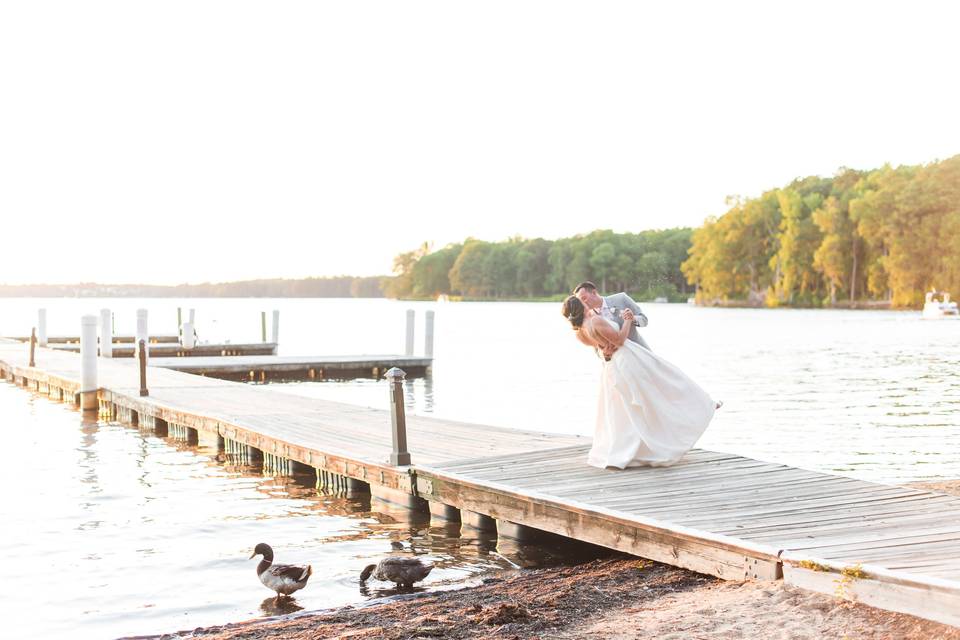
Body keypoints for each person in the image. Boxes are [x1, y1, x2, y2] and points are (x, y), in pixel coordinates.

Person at [561, 293, 719, 469]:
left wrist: (605, 350)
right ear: (579, 308)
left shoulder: (580, 333)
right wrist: (628, 320)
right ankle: (700, 408)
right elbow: (620, 340)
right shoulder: (595, 321)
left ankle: (633, 448)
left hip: (612, 365)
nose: (585, 303)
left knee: (626, 409)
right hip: (627, 360)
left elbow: (602, 347)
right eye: (581, 301)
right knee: (665, 383)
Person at [573, 281, 651, 355]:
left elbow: (644, 321)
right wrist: (605, 354)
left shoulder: (621, 298)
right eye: (580, 301)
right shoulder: (589, 319)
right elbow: (597, 349)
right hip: (618, 361)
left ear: (594, 292)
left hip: (639, 351)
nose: (583, 303)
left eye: (584, 298)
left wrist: (632, 318)